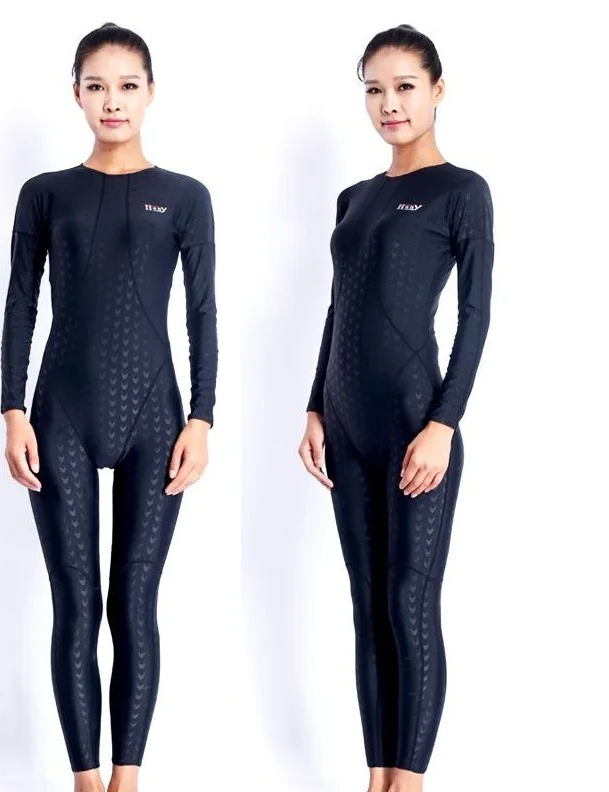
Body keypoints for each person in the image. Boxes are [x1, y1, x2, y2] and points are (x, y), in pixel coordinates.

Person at [0, 22, 217, 792]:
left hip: (155, 419)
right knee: (76, 604)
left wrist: (201, 418)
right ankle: (85, 782)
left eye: (127, 85)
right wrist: (12, 410)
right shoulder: (45, 193)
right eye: (96, 85)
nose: (112, 100)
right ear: (76, 95)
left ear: (150, 93)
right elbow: (21, 302)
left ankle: (127, 781)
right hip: (59, 413)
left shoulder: (184, 196)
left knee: (133, 602)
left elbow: (202, 313)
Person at [298, 24, 494, 792]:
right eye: (374, 89)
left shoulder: (460, 191)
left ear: (437, 90)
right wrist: (313, 407)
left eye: (404, 86)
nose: (389, 104)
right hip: (345, 423)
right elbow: (338, 306)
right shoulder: (354, 198)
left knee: (410, 598)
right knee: (367, 604)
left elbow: (474, 315)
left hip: (417, 422)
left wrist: (443, 423)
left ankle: (407, 783)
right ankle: (376, 777)